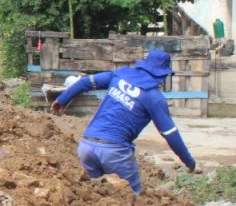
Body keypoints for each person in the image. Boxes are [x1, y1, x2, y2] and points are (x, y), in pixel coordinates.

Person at [52, 50, 196, 193]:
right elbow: (170, 133)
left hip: (86, 147)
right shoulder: (154, 98)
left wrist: (62, 99)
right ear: (163, 75)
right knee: (131, 199)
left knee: (96, 194)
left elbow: (86, 82)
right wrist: (189, 162)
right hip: (115, 152)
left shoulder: (119, 75)